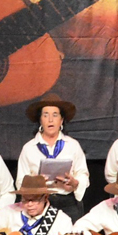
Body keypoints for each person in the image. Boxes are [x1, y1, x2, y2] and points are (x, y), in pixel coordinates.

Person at [16, 93, 89, 221]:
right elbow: (20, 181)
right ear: (40, 120)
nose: (50, 120)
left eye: (55, 115)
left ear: (61, 120)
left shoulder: (72, 145)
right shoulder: (29, 148)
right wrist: (35, 184)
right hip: (39, 204)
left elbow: (83, 173)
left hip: (68, 204)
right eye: (45, 115)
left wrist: (74, 183)